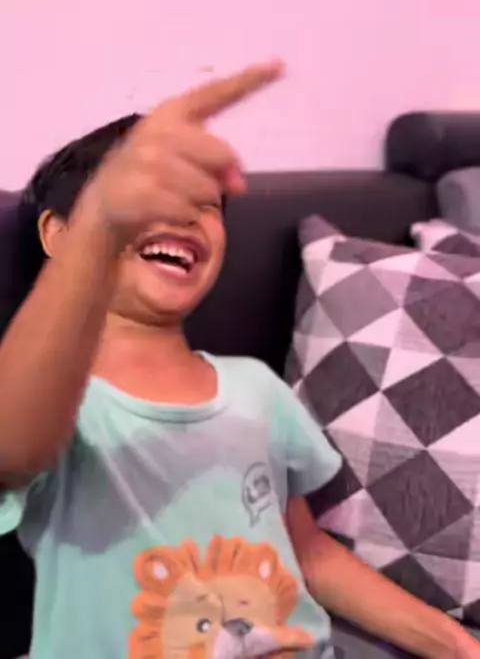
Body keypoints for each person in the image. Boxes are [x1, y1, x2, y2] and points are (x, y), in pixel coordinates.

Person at [0, 61, 477, 659]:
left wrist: (456, 644)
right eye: (151, 198)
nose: (186, 214)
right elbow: (12, 450)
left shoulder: (255, 389)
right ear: (59, 233)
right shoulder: (52, 399)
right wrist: (99, 227)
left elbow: (311, 554)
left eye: (206, 204)